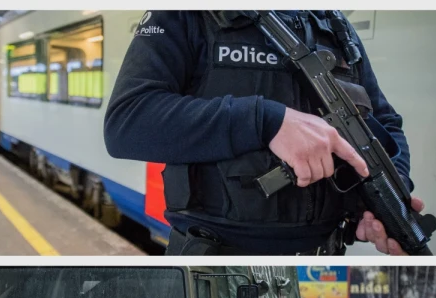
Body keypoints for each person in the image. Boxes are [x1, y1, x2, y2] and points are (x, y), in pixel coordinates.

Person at [104, 11, 418, 256]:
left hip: (324, 259)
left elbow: (385, 121)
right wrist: (266, 121)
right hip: (214, 262)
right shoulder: (187, 14)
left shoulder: (334, 24)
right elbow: (126, 122)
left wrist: (384, 197)